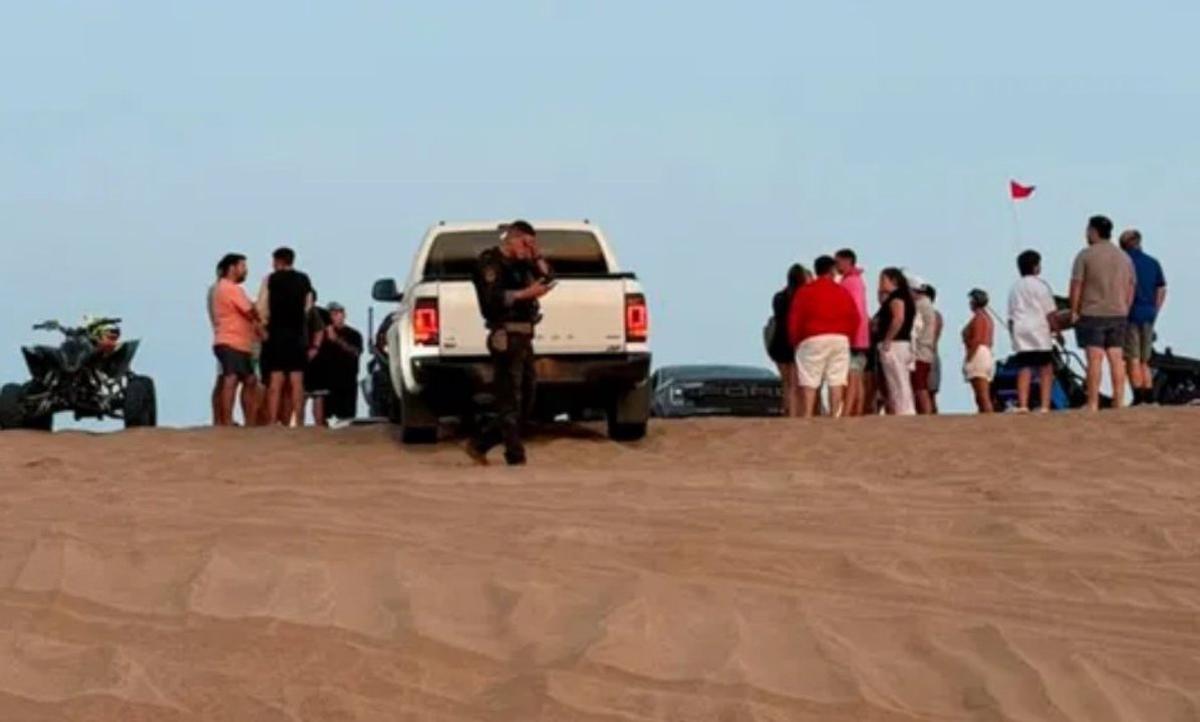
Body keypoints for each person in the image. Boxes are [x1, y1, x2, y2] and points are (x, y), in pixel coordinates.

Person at [466, 220, 554, 465]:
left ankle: (482, 442)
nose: (528, 248)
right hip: (504, 334)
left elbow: (548, 277)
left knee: (527, 399)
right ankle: (515, 456)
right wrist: (526, 294)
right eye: (526, 243)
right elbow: (492, 299)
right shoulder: (489, 262)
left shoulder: (523, 261)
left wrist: (537, 256)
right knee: (509, 399)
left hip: (525, 335)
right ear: (512, 239)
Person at [1070, 215, 1136, 410]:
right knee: (1116, 357)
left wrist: (1074, 310)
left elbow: (1076, 285)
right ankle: (1119, 400)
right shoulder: (1124, 257)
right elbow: (1131, 286)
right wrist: (1126, 306)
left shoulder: (1085, 255)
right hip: (1118, 311)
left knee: (1095, 358)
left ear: (1093, 231)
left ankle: (1092, 402)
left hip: (1092, 311)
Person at [787, 255, 860, 417]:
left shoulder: (805, 292)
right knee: (836, 380)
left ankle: (807, 414)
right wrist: (850, 337)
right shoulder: (842, 291)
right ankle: (835, 415)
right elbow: (855, 317)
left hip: (812, 337)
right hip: (839, 337)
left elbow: (795, 318)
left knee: (809, 380)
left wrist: (795, 340)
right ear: (832, 270)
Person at [257, 247, 314, 426]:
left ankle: (273, 420)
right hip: (297, 333)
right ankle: (299, 421)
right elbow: (308, 305)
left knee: (276, 379)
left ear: (278, 261)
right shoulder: (304, 279)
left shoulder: (271, 279)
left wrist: (263, 325)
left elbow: (262, 306)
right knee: (297, 380)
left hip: (277, 332)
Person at [211, 253, 261, 426]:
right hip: (230, 340)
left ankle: (248, 420)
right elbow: (249, 311)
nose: (245, 271)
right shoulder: (229, 288)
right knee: (231, 378)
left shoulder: (223, 288)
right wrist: (259, 315)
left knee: (249, 379)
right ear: (232, 268)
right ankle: (226, 420)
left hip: (238, 342)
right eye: (243, 267)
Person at [1119, 229, 1167, 405]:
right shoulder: (1153, 263)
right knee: (1145, 359)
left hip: (1130, 314)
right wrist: (1156, 309)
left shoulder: (1124, 263)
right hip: (1148, 313)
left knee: (1132, 357)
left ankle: (1139, 396)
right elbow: (1161, 288)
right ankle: (1150, 395)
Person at [1008, 250, 1058, 412]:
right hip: (1039, 330)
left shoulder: (1015, 288)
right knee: (1045, 367)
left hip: (1020, 330)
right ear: (1036, 267)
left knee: (1024, 367)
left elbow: (1011, 315)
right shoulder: (1041, 286)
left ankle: (1023, 404)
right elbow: (1050, 312)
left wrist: (1012, 335)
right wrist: (1057, 330)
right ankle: (1044, 405)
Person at [874, 268, 917, 415]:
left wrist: (888, 339)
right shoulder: (902, 297)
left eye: (883, 280)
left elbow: (898, 318)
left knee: (897, 379)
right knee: (897, 379)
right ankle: (903, 409)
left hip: (895, 344)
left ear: (893, 281)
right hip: (900, 343)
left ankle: (904, 410)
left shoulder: (897, 297)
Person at [767, 264, 807, 417]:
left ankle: (787, 410)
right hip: (794, 340)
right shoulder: (801, 297)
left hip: (778, 340)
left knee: (786, 382)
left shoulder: (779, 297)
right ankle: (795, 413)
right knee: (795, 382)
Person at [835, 249, 871, 416]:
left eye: (838, 262)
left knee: (852, 377)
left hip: (854, 336)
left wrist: (850, 333)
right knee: (856, 377)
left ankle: (848, 411)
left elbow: (854, 310)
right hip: (860, 336)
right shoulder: (855, 281)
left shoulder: (851, 282)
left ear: (847, 261)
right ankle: (855, 409)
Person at [321, 302, 363, 423]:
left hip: (347, 382)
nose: (334, 317)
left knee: (347, 419)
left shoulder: (354, 334)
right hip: (327, 382)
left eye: (337, 313)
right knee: (324, 417)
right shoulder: (321, 335)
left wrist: (337, 340)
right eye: (331, 315)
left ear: (343, 314)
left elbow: (356, 352)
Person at [962, 288, 995, 413]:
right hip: (986, 353)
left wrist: (969, 358)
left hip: (978, 354)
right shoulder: (987, 318)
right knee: (981, 395)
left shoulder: (979, 318)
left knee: (982, 395)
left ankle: (989, 419)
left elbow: (977, 339)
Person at [909, 277, 939, 415]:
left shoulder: (920, 306)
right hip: (926, 351)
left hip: (920, 350)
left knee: (920, 385)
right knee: (921, 385)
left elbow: (915, 329)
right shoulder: (928, 306)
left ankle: (925, 414)